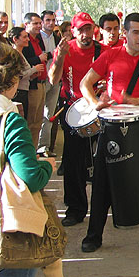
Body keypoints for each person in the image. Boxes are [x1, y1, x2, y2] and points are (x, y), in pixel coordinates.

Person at [79, 12, 139, 252]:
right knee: (102, 183)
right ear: (125, 33)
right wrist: (95, 104)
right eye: (136, 32)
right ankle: (94, 235)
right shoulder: (110, 56)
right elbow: (85, 83)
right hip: (110, 129)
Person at [0, 42, 58, 277]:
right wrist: (46, 165)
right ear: (12, 79)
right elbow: (30, 177)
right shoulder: (9, 119)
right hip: (7, 229)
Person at [49, 12, 106, 227]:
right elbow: (53, 80)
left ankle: (106, 205)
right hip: (73, 110)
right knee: (74, 163)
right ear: (73, 31)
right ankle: (75, 208)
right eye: (81, 30)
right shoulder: (65, 50)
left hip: (99, 109)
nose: (85, 34)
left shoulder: (103, 51)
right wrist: (60, 57)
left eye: (88, 28)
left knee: (104, 160)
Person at [21, 12, 47, 148]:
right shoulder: (26, 42)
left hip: (42, 83)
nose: (38, 26)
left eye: (39, 23)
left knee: (38, 122)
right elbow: (23, 63)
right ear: (27, 25)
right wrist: (38, 59)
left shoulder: (38, 39)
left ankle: (34, 150)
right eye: (35, 23)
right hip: (32, 86)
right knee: (31, 121)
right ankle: (29, 151)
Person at [38, 11, 61, 157]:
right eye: (48, 20)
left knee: (49, 115)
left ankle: (44, 147)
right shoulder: (35, 38)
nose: (51, 23)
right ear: (42, 22)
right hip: (40, 81)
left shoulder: (57, 38)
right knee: (37, 116)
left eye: (53, 20)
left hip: (55, 81)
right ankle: (35, 146)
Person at [8, 28, 44, 118]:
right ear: (15, 39)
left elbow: (23, 75)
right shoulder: (14, 55)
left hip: (24, 90)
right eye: (24, 37)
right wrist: (34, 69)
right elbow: (17, 75)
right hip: (18, 93)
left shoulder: (20, 54)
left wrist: (32, 76)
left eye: (27, 37)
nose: (28, 39)